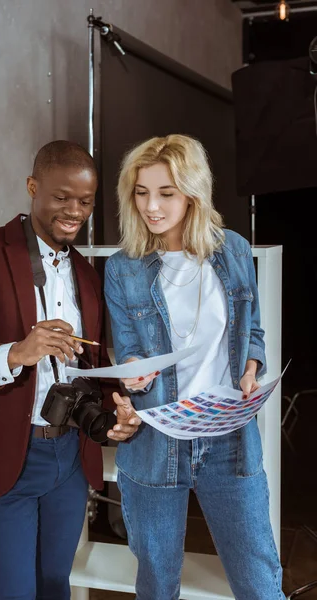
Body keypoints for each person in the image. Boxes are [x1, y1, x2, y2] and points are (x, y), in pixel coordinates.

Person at [0, 140, 141, 600]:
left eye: (84, 201)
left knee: (55, 586)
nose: (74, 211)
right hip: (6, 460)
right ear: (32, 187)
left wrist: (119, 406)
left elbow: (91, 369)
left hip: (70, 461)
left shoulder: (87, 274)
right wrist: (15, 353)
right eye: (61, 197)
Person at [104, 134, 285, 600]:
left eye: (166, 193)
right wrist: (132, 369)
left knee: (260, 581)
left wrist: (251, 368)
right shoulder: (123, 268)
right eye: (141, 192)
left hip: (229, 438)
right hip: (155, 438)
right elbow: (126, 347)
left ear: (193, 192)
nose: (151, 206)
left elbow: (255, 333)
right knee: (158, 584)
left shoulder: (235, 251)